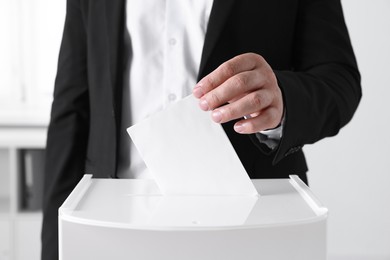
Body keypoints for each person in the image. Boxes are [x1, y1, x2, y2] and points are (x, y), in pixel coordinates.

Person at [41, 0, 361, 259]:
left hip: (255, 231)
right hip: (110, 231)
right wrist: (53, 248)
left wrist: (283, 99)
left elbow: (339, 80)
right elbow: (72, 108)